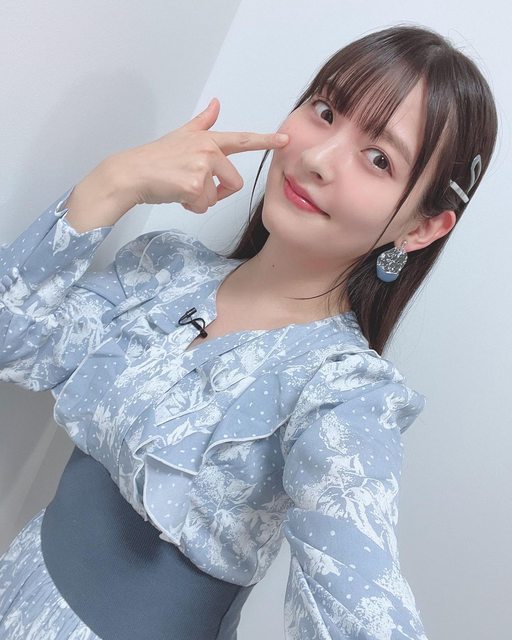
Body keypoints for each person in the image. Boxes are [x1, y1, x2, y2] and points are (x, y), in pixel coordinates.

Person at [0, 23, 497, 640]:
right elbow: (12, 338)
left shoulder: (343, 394)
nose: (316, 159)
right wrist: (114, 181)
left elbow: (359, 609)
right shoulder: (165, 270)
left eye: (379, 159)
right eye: (325, 111)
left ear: (421, 228)